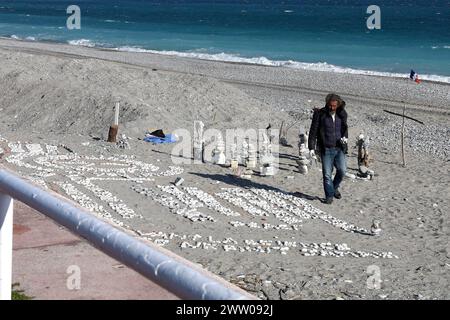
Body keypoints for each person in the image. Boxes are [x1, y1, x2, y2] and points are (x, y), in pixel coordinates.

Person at [308, 93, 348, 204]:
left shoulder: (341, 114)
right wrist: (311, 147)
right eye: (330, 105)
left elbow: (345, 128)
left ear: (338, 105)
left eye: (334, 106)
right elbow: (313, 131)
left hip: (339, 148)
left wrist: (345, 138)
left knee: (342, 170)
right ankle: (329, 196)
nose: (332, 108)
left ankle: (334, 188)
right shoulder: (320, 114)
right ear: (327, 104)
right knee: (327, 175)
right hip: (326, 149)